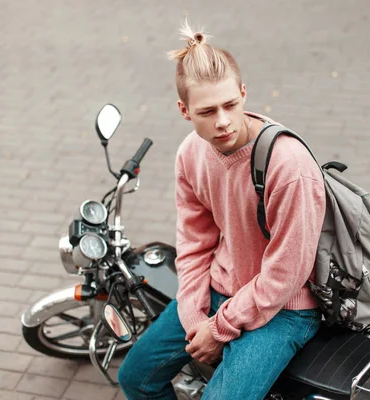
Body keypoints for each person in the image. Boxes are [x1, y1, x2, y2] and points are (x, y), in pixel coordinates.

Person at [118, 20, 327, 400]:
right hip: (222, 287)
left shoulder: (290, 167)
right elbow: (194, 243)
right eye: (207, 111)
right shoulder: (191, 153)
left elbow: (287, 273)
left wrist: (219, 329)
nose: (223, 121)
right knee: (136, 377)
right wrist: (197, 318)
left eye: (231, 104)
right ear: (184, 110)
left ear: (244, 92)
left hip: (285, 308)